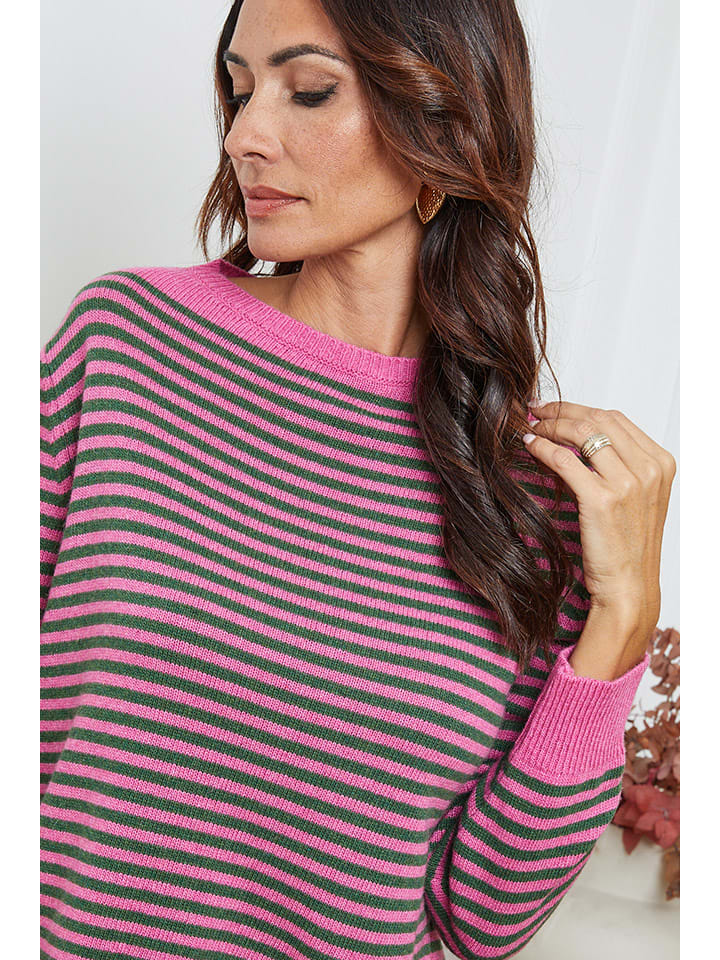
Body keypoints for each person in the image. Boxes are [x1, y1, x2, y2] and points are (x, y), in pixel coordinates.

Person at [40, 1, 676, 958]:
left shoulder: (534, 496)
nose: (244, 136)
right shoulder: (127, 344)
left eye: (309, 91)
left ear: (445, 124)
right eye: (239, 90)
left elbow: (484, 919)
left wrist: (625, 614)